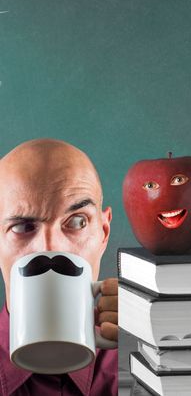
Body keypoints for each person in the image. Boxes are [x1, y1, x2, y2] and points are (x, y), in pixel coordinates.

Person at [0, 138, 118, 396]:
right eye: (22, 227)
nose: (51, 248)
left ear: (104, 233)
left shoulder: (143, 363)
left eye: (77, 221)